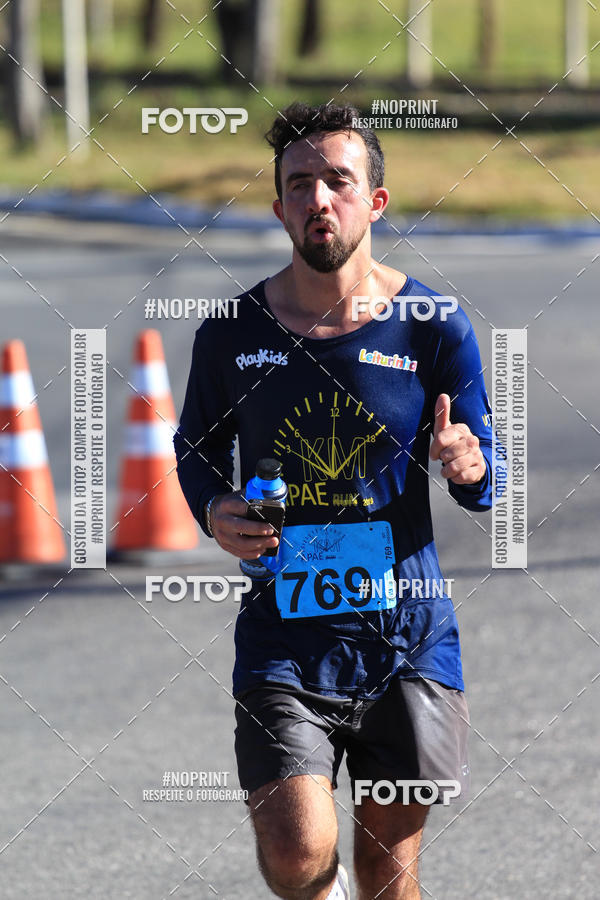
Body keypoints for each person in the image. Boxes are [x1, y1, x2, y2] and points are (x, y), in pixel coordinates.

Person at [174, 102, 493, 900]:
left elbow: (492, 475)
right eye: (299, 183)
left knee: (389, 875)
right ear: (279, 205)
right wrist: (215, 509)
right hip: (284, 637)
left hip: (409, 638)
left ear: (374, 201)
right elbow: (194, 452)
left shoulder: (433, 326)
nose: (319, 199)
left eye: (338, 181)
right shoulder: (230, 331)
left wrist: (469, 465)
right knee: (296, 852)